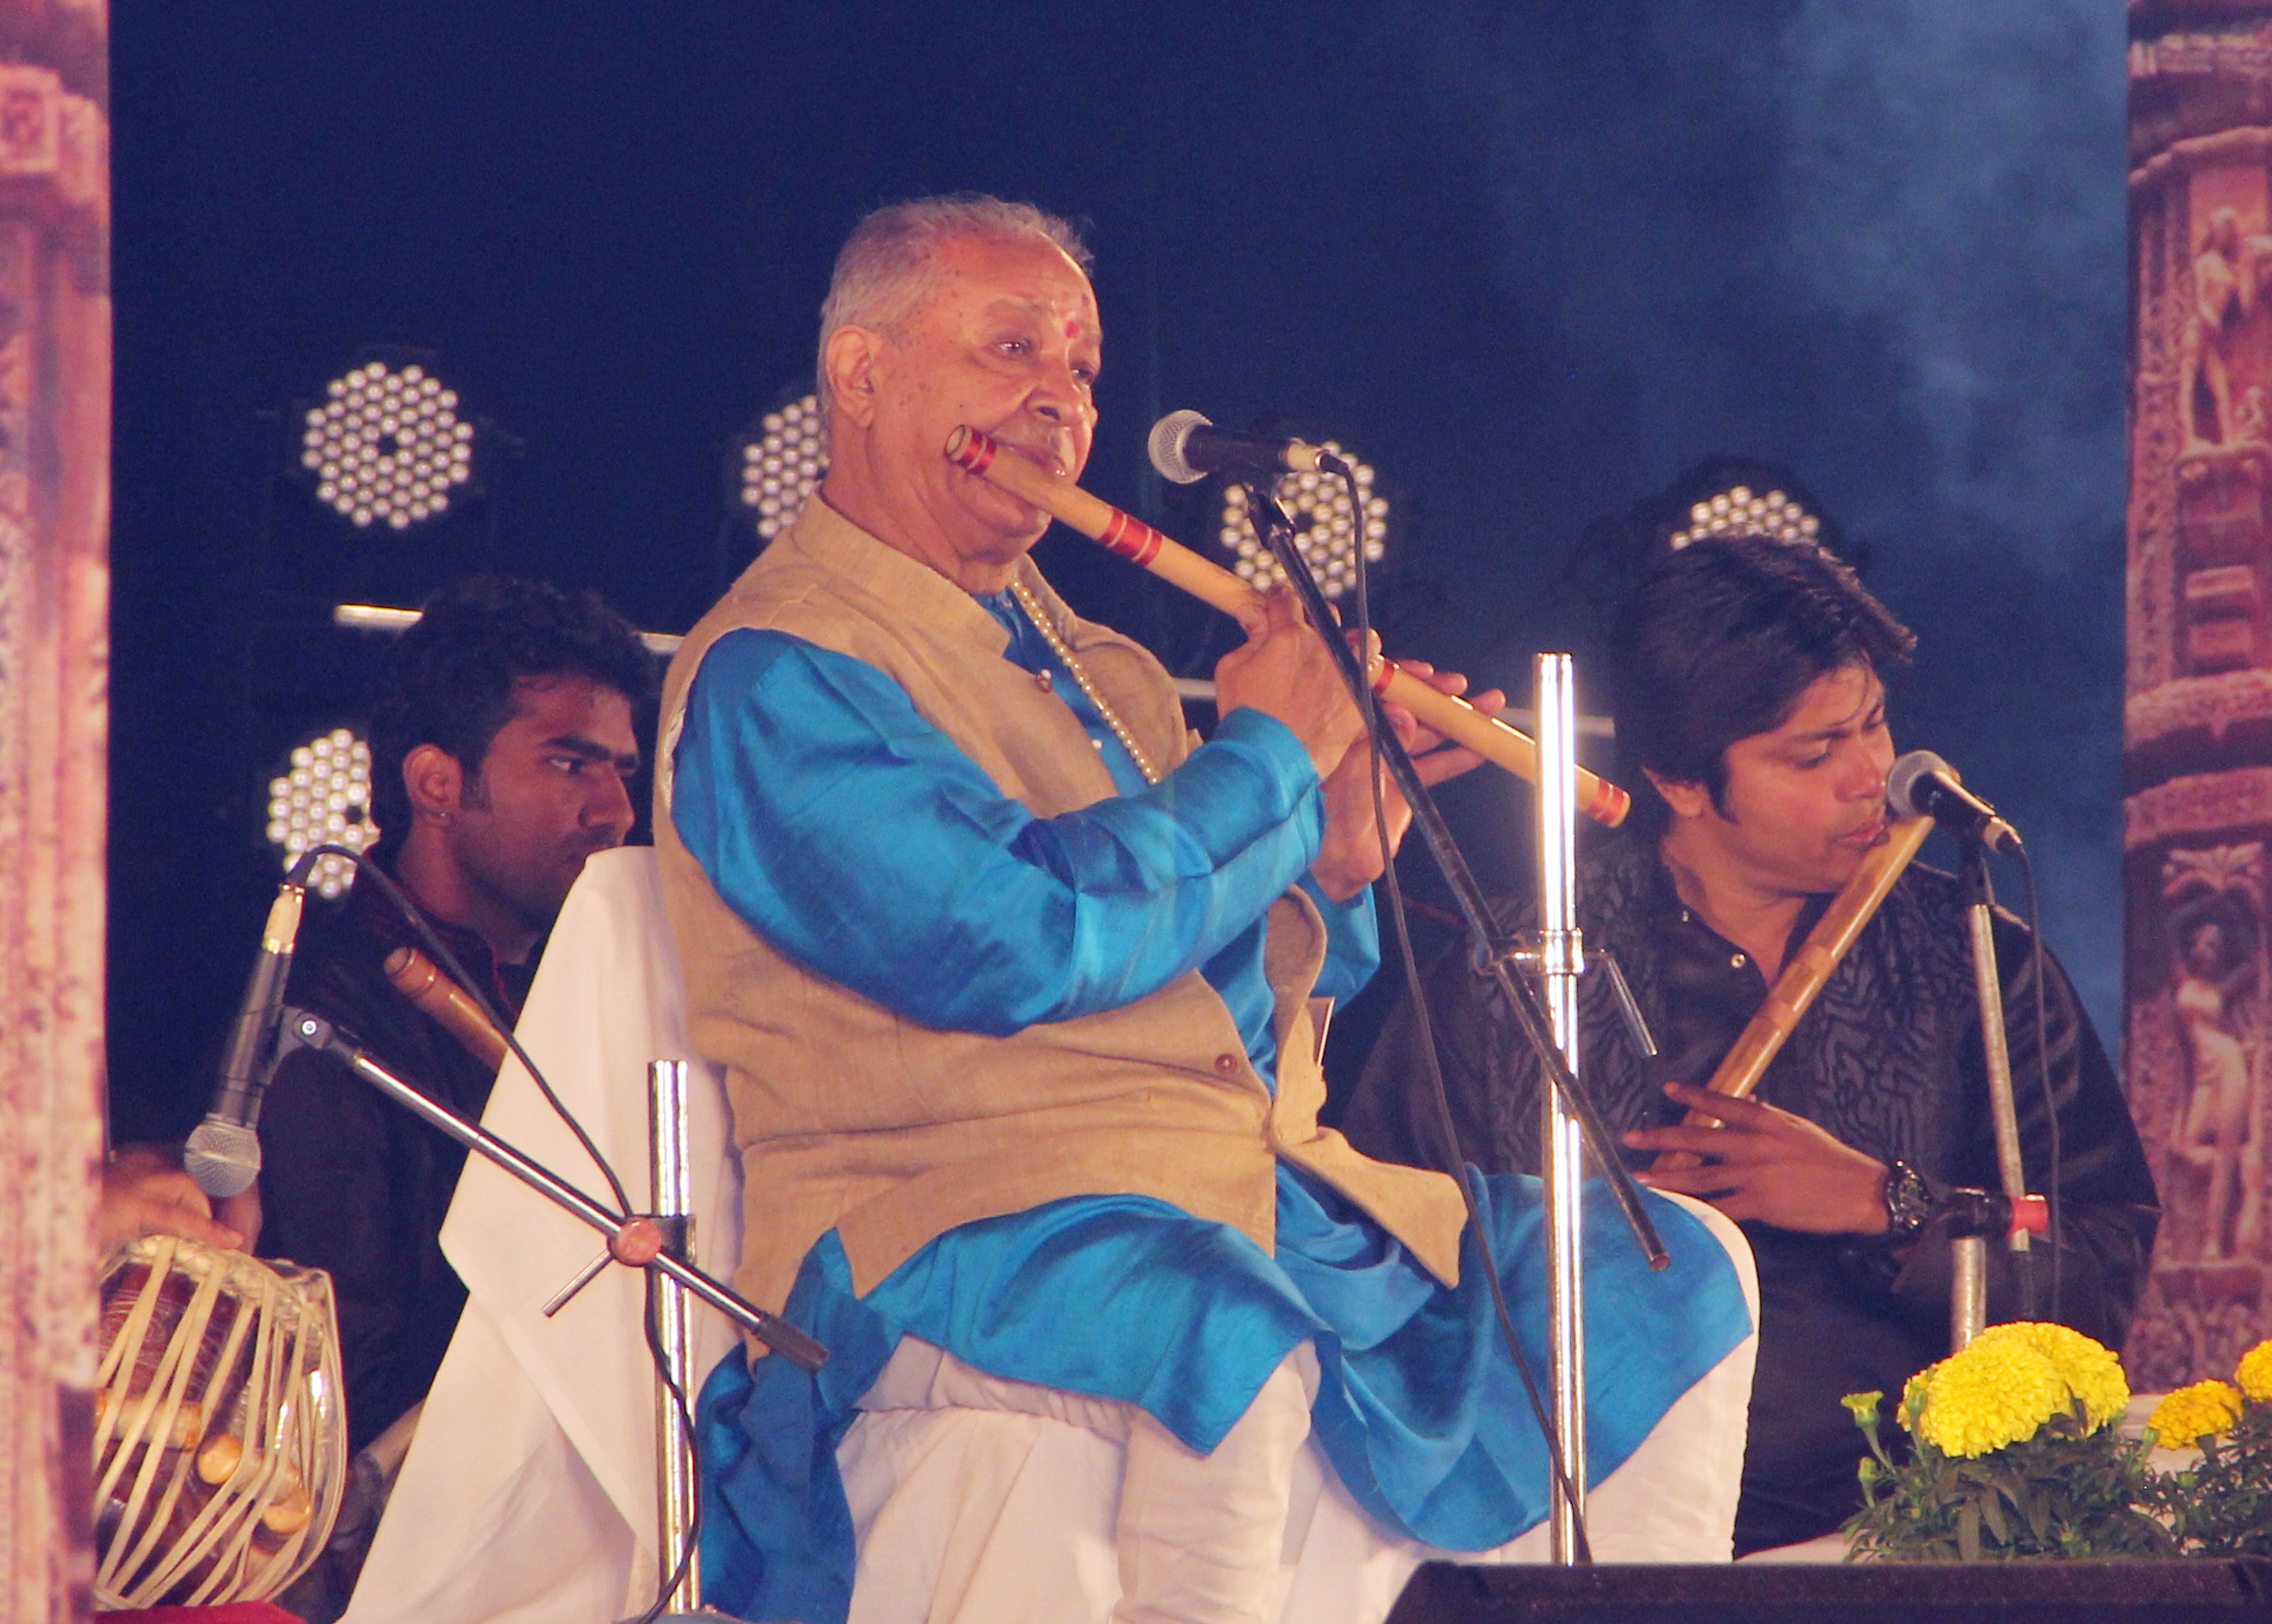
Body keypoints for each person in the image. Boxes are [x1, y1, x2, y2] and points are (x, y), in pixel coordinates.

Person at [656, 195, 1760, 1624]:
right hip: (943, 1215)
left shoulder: (1095, 657)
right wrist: (1272, 758)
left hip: (1225, 1181)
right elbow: (1019, 941)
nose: (1060, 402)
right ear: (861, 375)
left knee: (1669, 1263)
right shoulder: (777, 669)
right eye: (1011, 352)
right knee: (1221, 1324)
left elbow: (1211, 992)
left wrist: (1339, 856)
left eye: (1084, 369)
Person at [1339, 534, 2161, 1555]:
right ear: (1680, 781)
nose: (1871, 776)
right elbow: (1374, 1248)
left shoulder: (1974, 959)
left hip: (1917, 1542)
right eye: (1812, 754)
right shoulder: (1515, 972)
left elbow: (2104, 1254)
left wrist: (1889, 1205)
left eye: (1871, 725)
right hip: (1589, 1541)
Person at [241, 574, 649, 1618]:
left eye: (620, 770)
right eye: (569, 762)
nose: (613, 808)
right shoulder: (323, 1026)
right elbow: (350, 1392)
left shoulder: (596, 994)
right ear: (435, 782)